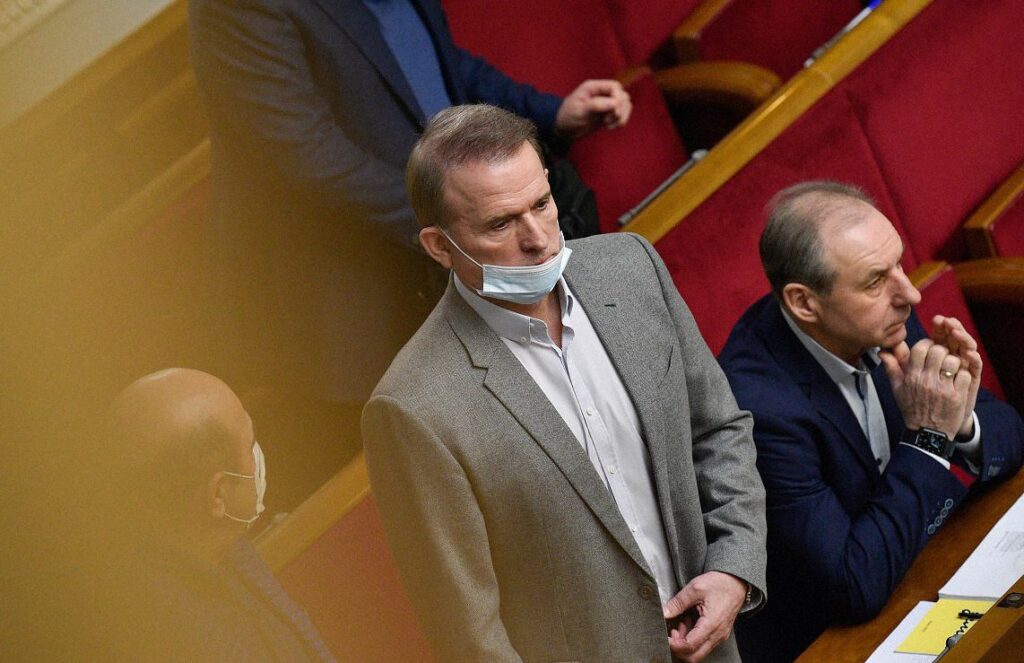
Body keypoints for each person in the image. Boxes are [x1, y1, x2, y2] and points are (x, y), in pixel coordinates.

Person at [361, 104, 766, 663]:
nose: (539, 240)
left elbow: (719, 429)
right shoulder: (413, 408)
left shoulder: (633, 267)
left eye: (542, 204)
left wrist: (733, 566)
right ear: (439, 247)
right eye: (501, 224)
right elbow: (468, 630)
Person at [718, 181, 1024, 662]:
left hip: (922, 568)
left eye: (899, 263)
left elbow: (1008, 432)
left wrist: (960, 421)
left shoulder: (877, 316)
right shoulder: (758, 410)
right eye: (877, 279)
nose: (911, 293)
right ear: (804, 302)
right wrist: (929, 440)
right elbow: (853, 583)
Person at [96, 368, 336, 662]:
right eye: (250, 445)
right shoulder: (173, 637)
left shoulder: (220, 545)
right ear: (218, 494)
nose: (259, 453)